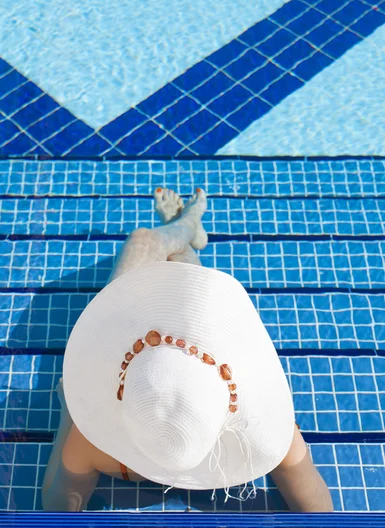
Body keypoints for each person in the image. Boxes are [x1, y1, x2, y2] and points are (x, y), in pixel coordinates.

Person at [41, 187, 333, 513]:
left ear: (121, 392)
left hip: (129, 425)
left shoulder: (90, 444)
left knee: (143, 240)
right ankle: (190, 226)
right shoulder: (264, 438)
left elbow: (56, 506)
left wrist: (70, 412)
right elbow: (320, 513)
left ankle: (184, 226)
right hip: (188, 416)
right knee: (184, 268)